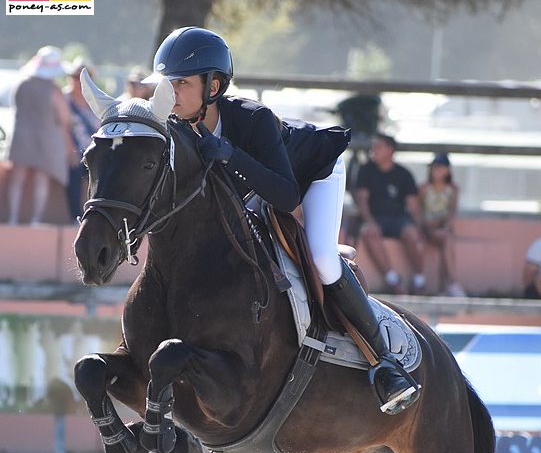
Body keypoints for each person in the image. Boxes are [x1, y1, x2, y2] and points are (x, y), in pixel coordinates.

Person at [142, 27, 420, 414]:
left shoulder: (252, 119)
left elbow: (287, 196)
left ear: (214, 86)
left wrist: (231, 154)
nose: (168, 94)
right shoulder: (174, 126)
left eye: (180, 83)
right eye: (164, 85)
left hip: (311, 174)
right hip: (256, 188)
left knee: (322, 257)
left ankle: (384, 364)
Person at [6, 45, 75, 225]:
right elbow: (65, 118)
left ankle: (12, 218)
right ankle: (35, 219)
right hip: (46, 139)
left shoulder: (21, 84)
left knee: (17, 178)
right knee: (41, 179)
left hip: (21, 136)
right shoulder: (53, 90)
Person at [352, 133, 426, 295]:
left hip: (399, 219)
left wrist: (419, 227)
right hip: (376, 218)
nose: (374, 151)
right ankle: (393, 280)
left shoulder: (403, 174)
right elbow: (362, 200)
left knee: (412, 234)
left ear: (389, 150)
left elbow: (413, 205)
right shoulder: (366, 170)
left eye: (378, 147)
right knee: (369, 232)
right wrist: (370, 221)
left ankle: (419, 281)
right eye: (373, 147)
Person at [418, 153, 465, 297]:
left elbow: (452, 212)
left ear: (447, 170)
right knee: (447, 239)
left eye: (439, 167)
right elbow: (419, 212)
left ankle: (448, 285)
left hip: (443, 229)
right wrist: (431, 225)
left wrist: (444, 225)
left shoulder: (453, 189)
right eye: (434, 167)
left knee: (446, 239)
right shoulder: (424, 188)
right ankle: (452, 283)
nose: (435, 170)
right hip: (426, 229)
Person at [62, 57, 100, 222]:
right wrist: (70, 150)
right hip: (73, 150)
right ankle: (75, 217)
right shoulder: (65, 98)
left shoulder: (96, 99)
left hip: (93, 149)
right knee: (74, 173)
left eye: (83, 77)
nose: (78, 81)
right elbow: (62, 127)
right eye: (75, 76)